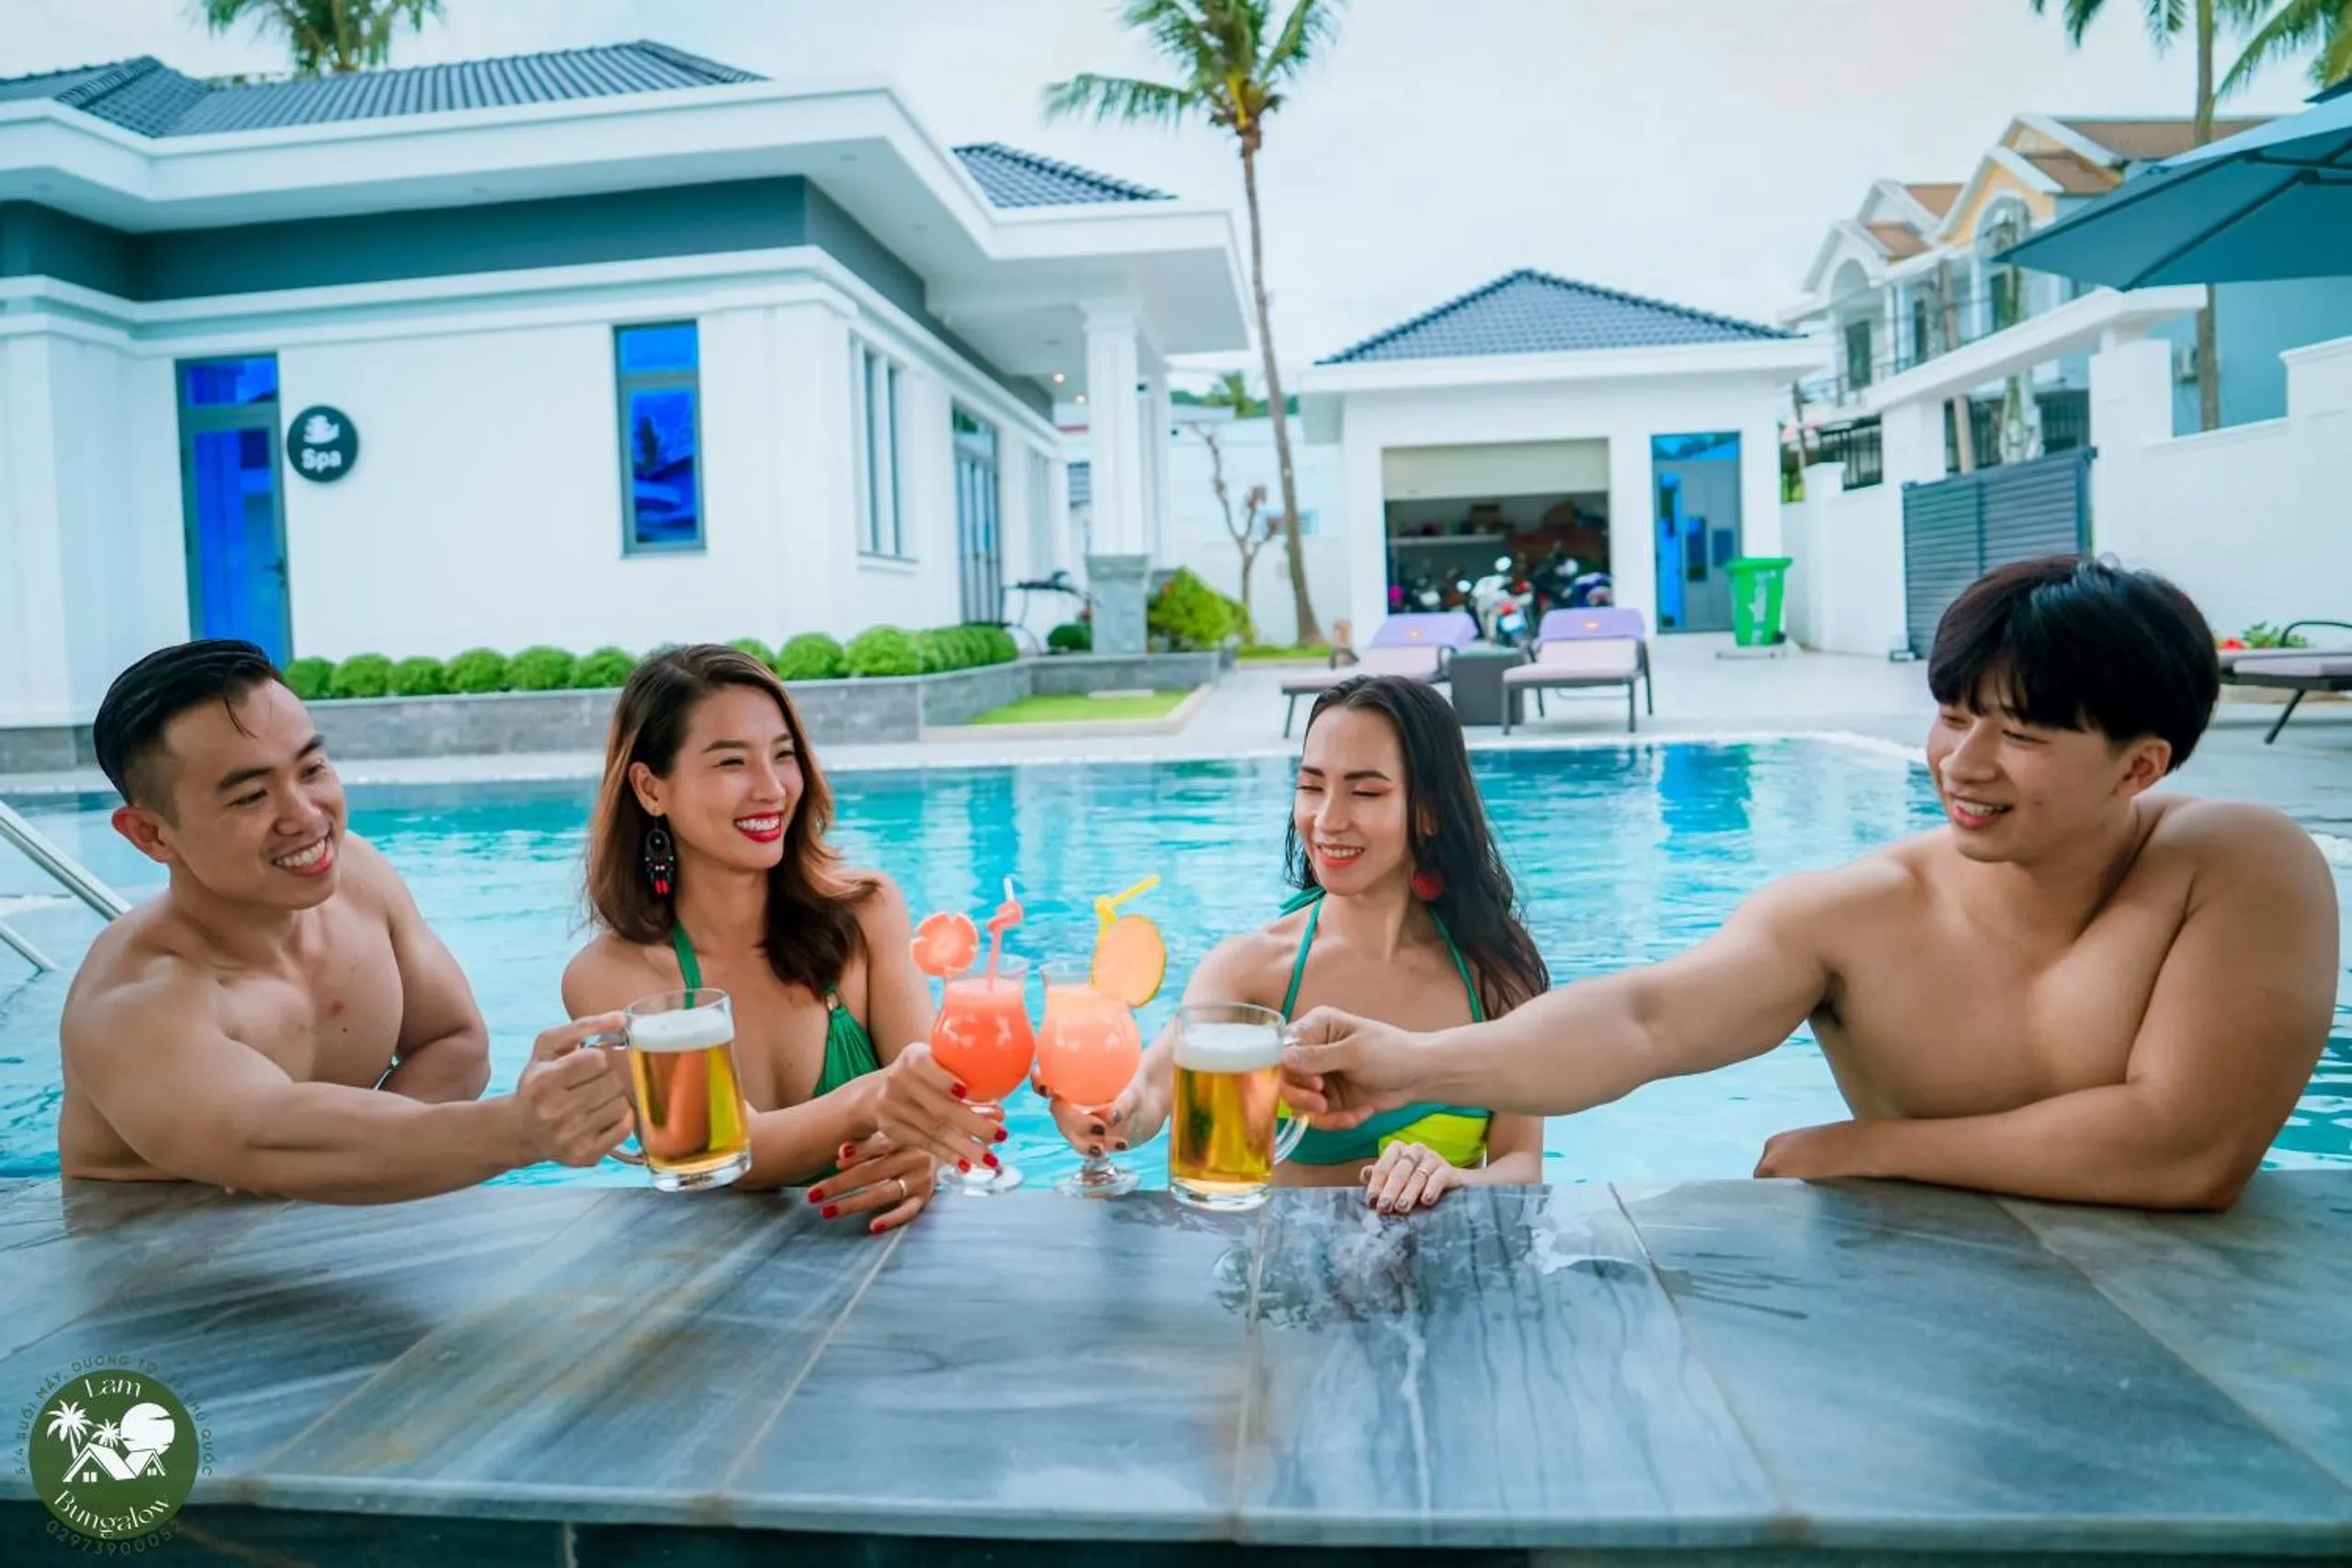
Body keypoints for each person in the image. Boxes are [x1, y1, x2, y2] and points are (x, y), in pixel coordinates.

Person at [1285, 557, 2340, 1212]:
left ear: (2141, 764)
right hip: (1921, 1325)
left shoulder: (2236, 866)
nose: (1962, 764)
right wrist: (1417, 1062)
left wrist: (1870, 1146)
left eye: (2017, 733)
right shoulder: (1854, 911)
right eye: (1954, 714)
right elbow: (1646, 1018)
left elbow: (2186, 1148)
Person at [59, 641, 630, 1202]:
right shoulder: (136, 1004)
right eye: (252, 797)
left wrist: (360, 1157)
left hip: (322, 1243)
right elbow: (271, 1141)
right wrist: (513, 1130)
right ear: (150, 834)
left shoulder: (358, 876)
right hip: (143, 1264)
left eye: (311, 769)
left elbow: (457, 1043)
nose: (306, 816)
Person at [1046, 675, 1547, 1212]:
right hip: (1279, 1283)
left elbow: (1522, 1163)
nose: (1327, 819)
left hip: (1436, 1287)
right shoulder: (1252, 971)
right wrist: (1103, 1116)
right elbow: (1149, 1092)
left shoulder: (1495, 975)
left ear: (1429, 810)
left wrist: (1450, 1178)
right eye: (1311, 786)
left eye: (1365, 791)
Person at [562, 645, 995, 1233]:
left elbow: (930, 1108)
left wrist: (921, 1152)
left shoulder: (866, 915)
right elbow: (718, 1151)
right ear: (650, 788)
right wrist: (871, 1101)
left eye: (784, 755)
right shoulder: (612, 977)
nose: (772, 788)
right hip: (712, 1287)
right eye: (731, 763)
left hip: (883, 1260)